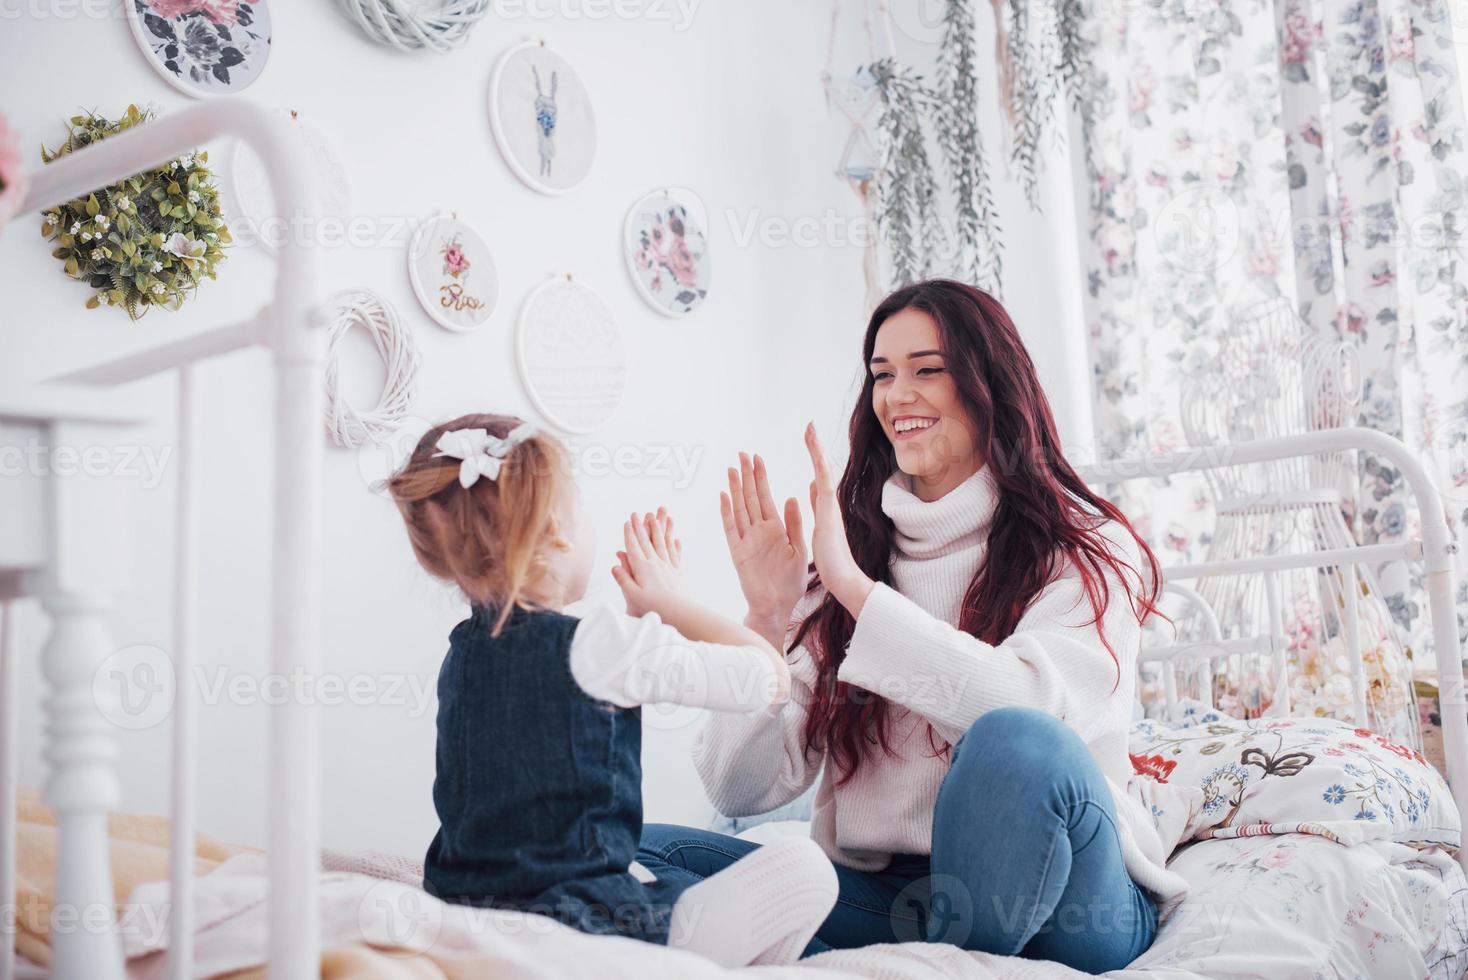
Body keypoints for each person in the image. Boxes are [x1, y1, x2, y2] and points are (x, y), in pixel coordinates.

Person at [637, 280, 1190, 973]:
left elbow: (1028, 716)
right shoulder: (852, 558)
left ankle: (941, 965)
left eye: (928, 369)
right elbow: (738, 790)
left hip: (1072, 897)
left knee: (1013, 740)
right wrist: (765, 621)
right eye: (882, 375)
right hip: (896, 899)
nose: (898, 396)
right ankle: (928, 961)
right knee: (635, 853)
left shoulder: (1082, 549)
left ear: (990, 383)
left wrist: (858, 594)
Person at [386, 412, 839, 967]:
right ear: (554, 529)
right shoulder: (599, 644)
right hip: (585, 927)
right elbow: (768, 678)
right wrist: (670, 604)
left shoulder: (463, 654)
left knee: (662, 866)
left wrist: (639, 632)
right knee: (803, 863)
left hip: (465, 910)